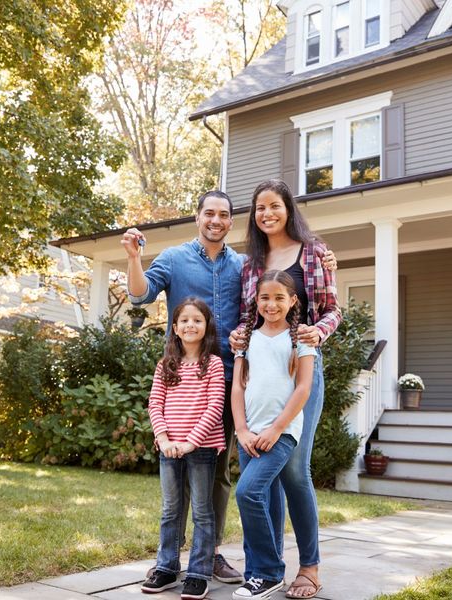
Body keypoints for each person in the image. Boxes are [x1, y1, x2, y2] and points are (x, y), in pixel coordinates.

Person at [122, 191, 244, 583]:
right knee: (177, 477)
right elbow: (140, 295)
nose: (216, 220)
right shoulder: (174, 258)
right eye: (209, 213)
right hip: (182, 383)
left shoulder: (241, 265)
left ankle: (210, 555)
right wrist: (134, 258)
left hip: (228, 382)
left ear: (230, 221)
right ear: (197, 217)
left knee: (217, 474)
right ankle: (170, 558)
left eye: (224, 215)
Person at [230, 179, 342, 599]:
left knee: (295, 471)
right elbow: (248, 316)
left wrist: (317, 332)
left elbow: (333, 309)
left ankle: (309, 567)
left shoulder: (313, 251)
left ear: (287, 208)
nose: (267, 214)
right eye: (259, 208)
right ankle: (269, 567)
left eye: (274, 206)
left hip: (301, 366)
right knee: (266, 475)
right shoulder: (250, 262)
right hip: (261, 371)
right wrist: (239, 338)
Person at [231, 270, 316, 600]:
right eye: (265, 297)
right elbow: (237, 388)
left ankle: (268, 572)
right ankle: (255, 574)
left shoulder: (301, 340)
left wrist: (277, 427)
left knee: (248, 493)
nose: (271, 303)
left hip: (281, 433)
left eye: (280, 297)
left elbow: (304, 388)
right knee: (259, 498)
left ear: (293, 301)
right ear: (256, 300)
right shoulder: (246, 340)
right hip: (249, 434)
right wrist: (241, 430)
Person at [142, 298, 225, 600]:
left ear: (206, 327)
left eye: (197, 320)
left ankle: (199, 573)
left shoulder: (213, 364)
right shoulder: (166, 365)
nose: (191, 325)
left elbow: (215, 406)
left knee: (202, 511)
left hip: (200, 448)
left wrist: (192, 440)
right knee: (170, 510)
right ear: (175, 328)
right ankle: (166, 567)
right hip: (169, 447)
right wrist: (163, 439)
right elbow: (155, 403)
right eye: (185, 321)